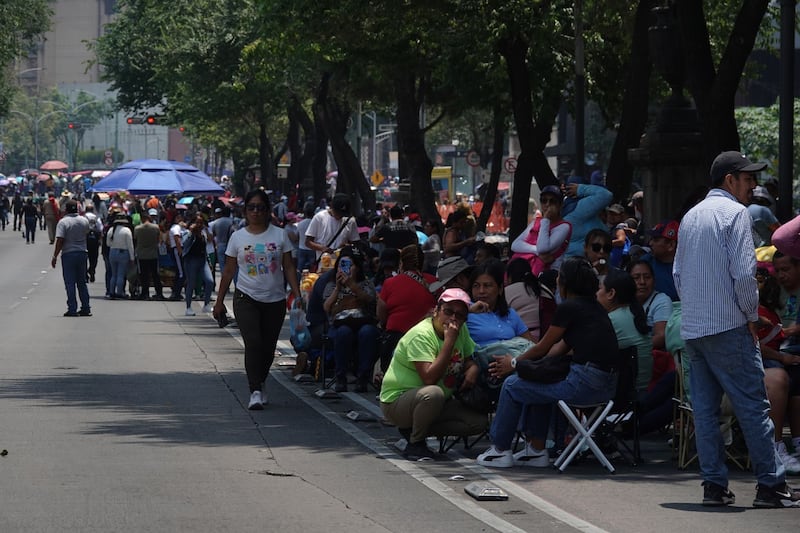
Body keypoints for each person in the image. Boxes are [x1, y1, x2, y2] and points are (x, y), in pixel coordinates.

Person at [673, 150, 799, 508]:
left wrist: (699, 308)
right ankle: (771, 487)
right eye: (747, 178)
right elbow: (745, 275)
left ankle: (714, 486)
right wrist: (749, 316)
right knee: (754, 408)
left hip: (696, 327)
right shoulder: (735, 214)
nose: (753, 185)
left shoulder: (691, 216)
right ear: (730, 180)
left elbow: (679, 275)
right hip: (728, 324)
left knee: (706, 411)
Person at [476, 257, 619, 468]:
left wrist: (513, 363)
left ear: (566, 283)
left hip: (583, 384)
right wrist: (527, 367)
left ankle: (500, 449)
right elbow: (556, 350)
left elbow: (543, 347)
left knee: (511, 385)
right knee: (537, 383)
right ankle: (536, 449)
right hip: (606, 387)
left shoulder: (569, 307)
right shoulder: (594, 308)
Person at [212, 189, 301, 410]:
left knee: (268, 348)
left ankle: (260, 381)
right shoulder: (238, 237)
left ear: (268, 210)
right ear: (245, 211)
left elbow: (288, 266)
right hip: (246, 297)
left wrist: (297, 295)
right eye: (251, 207)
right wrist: (219, 300)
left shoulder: (280, 236)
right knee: (253, 343)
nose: (255, 212)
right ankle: (255, 390)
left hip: (275, 299)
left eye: (260, 207)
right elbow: (229, 270)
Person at [379, 288, 488, 460]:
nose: (453, 318)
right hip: (399, 401)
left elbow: (467, 358)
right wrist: (449, 342)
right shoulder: (421, 335)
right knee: (433, 393)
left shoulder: (461, 329)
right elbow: (429, 378)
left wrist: (472, 368)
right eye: (448, 311)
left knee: (478, 422)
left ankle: (414, 428)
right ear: (436, 311)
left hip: (438, 401)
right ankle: (416, 443)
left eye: (459, 315)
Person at [322, 246, 380, 392]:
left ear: (357, 268)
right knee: (343, 333)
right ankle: (341, 376)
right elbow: (327, 307)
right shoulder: (331, 284)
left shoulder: (366, 283)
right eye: (343, 265)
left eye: (350, 265)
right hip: (340, 324)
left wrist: (352, 285)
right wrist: (338, 288)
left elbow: (370, 299)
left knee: (368, 333)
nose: (346, 269)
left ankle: (363, 377)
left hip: (364, 320)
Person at [377, 244, 437, 372]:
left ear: (401, 262)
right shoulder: (435, 282)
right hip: (427, 339)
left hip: (396, 338)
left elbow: (381, 314)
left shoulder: (390, 283)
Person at [596, 268, 652, 392]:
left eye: (599, 289)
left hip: (622, 395)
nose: (596, 294)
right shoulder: (635, 314)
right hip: (640, 391)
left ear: (611, 293)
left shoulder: (611, 320)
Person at [510, 185, 571, 275]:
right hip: (526, 268)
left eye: (552, 201)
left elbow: (543, 248)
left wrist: (546, 220)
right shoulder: (536, 222)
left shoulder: (564, 226)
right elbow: (515, 245)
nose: (547, 204)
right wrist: (536, 250)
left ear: (560, 205)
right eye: (544, 200)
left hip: (549, 273)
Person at [50, 200, 91, 317]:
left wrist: (55, 256)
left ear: (66, 210)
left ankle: (72, 308)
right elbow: (86, 233)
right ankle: (86, 307)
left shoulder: (63, 222)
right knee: (82, 282)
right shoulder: (84, 220)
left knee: (70, 283)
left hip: (68, 254)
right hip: (82, 253)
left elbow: (60, 240)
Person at [504, 257, 554, 342]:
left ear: (510, 277)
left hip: (518, 340)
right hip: (547, 339)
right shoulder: (545, 289)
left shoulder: (507, 292)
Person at [562, 179, 613, 258]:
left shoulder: (567, 212)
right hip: (584, 263)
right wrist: (580, 189)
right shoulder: (580, 209)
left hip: (571, 262)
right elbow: (605, 195)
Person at [304, 192, 359, 261]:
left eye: (343, 214)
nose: (340, 216)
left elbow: (355, 242)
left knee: (343, 270)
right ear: (332, 207)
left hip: (343, 261)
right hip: (324, 261)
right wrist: (322, 248)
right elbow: (308, 242)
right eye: (338, 213)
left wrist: (348, 247)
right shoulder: (320, 217)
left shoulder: (350, 220)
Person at [182, 214, 215, 315]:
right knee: (191, 284)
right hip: (191, 261)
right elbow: (185, 244)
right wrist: (191, 233)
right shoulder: (187, 232)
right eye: (197, 222)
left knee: (209, 281)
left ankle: (206, 304)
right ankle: (188, 307)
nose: (199, 224)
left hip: (202, 261)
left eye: (201, 222)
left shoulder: (203, 233)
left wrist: (209, 262)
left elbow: (206, 247)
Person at [134, 210, 165, 300]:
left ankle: (145, 293)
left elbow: (135, 239)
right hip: (153, 254)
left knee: (144, 275)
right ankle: (159, 293)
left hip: (142, 254)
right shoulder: (155, 227)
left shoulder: (138, 228)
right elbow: (159, 239)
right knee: (155, 275)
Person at [105, 213, 135, 299]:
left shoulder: (111, 230)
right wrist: (132, 258)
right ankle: (119, 292)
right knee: (121, 274)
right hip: (123, 253)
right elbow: (130, 245)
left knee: (114, 274)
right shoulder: (126, 230)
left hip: (112, 252)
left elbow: (108, 243)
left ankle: (111, 292)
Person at [168, 212, 187, 300]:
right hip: (177, 249)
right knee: (181, 273)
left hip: (180, 249)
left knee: (181, 272)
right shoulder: (175, 227)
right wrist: (180, 251)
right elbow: (176, 238)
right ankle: (176, 292)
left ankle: (177, 292)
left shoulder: (181, 228)